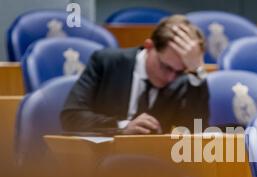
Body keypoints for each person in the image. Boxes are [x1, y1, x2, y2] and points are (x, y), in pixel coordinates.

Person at [60, 15, 209, 134]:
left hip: (156, 166)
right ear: (149, 46)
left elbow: (196, 131)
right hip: (101, 161)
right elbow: (71, 116)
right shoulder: (106, 62)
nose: (170, 78)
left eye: (179, 71)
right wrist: (121, 127)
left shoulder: (185, 80)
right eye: (165, 67)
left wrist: (197, 73)